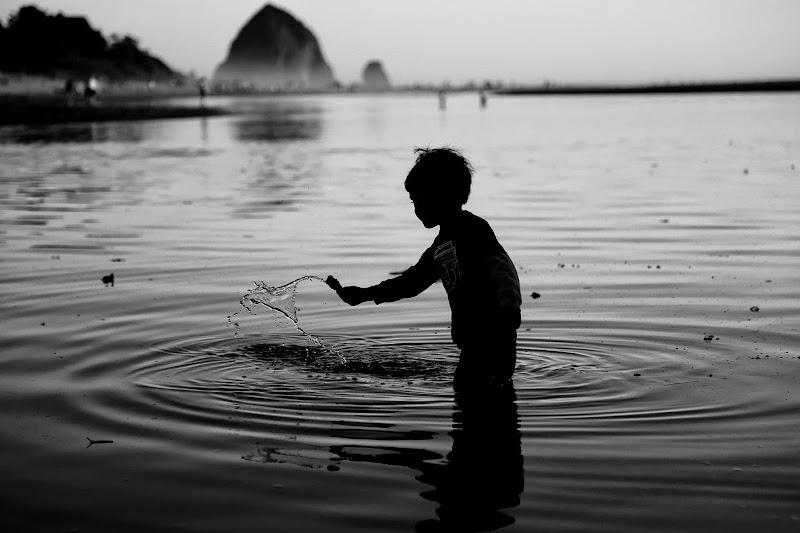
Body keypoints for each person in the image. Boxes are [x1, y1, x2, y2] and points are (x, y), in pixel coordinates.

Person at [327, 147, 521, 387]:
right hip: (473, 345)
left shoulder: (474, 232)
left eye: (420, 199)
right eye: (414, 201)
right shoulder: (442, 246)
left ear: (443, 195)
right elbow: (411, 283)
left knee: (475, 400)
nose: (417, 208)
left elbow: (503, 271)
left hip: (494, 341)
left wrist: (508, 312)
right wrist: (364, 294)